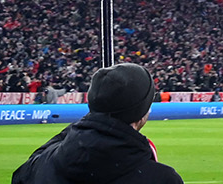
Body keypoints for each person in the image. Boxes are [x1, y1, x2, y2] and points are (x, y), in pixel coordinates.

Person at [13, 63, 181, 184]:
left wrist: (96, 115)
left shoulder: (42, 164)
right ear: (141, 112)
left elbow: (21, 174)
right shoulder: (161, 178)